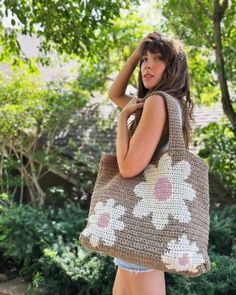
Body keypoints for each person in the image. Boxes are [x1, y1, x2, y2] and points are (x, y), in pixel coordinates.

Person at [108, 32, 194, 295]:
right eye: (145, 59)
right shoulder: (167, 104)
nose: (147, 64)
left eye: (158, 59)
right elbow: (115, 93)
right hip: (144, 224)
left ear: (173, 68)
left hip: (140, 228)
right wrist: (136, 53)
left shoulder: (157, 103)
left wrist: (123, 121)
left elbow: (127, 167)